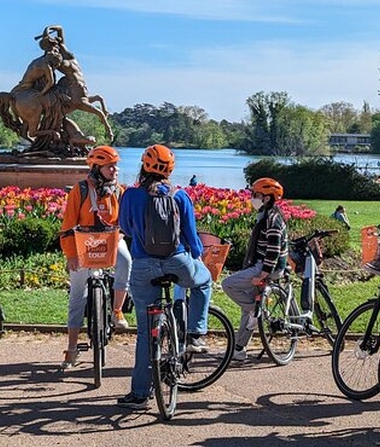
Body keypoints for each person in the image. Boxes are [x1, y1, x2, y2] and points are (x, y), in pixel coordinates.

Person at [116, 144, 212, 410]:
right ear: (170, 170)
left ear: (144, 166)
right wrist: (197, 256)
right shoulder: (179, 195)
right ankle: (195, 333)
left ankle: (138, 395)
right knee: (203, 281)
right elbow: (192, 238)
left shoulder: (131, 195)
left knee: (146, 332)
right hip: (177, 261)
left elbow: (125, 227)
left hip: (143, 266)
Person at [58, 146, 132, 368]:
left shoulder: (119, 191)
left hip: (110, 241)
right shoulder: (80, 190)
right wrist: (71, 254)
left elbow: (125, 223)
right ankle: (71, 349)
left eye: (116, 165)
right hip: (83, 244)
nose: (115, 169)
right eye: (110, 166)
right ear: (97, 167)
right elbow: (68, 225)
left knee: (126, 261)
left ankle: (117, 312)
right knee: (77, 296)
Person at [221, 178, 289, 362]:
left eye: (256, 195)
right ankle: (239, 349)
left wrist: (262, 275)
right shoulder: (266, 215)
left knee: (228, 285)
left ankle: (257, 310)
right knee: (247, 310)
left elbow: (273, 251)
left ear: (267, 198)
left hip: (267, 267)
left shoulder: (273, 219)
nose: (252, 198)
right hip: (262, 265)